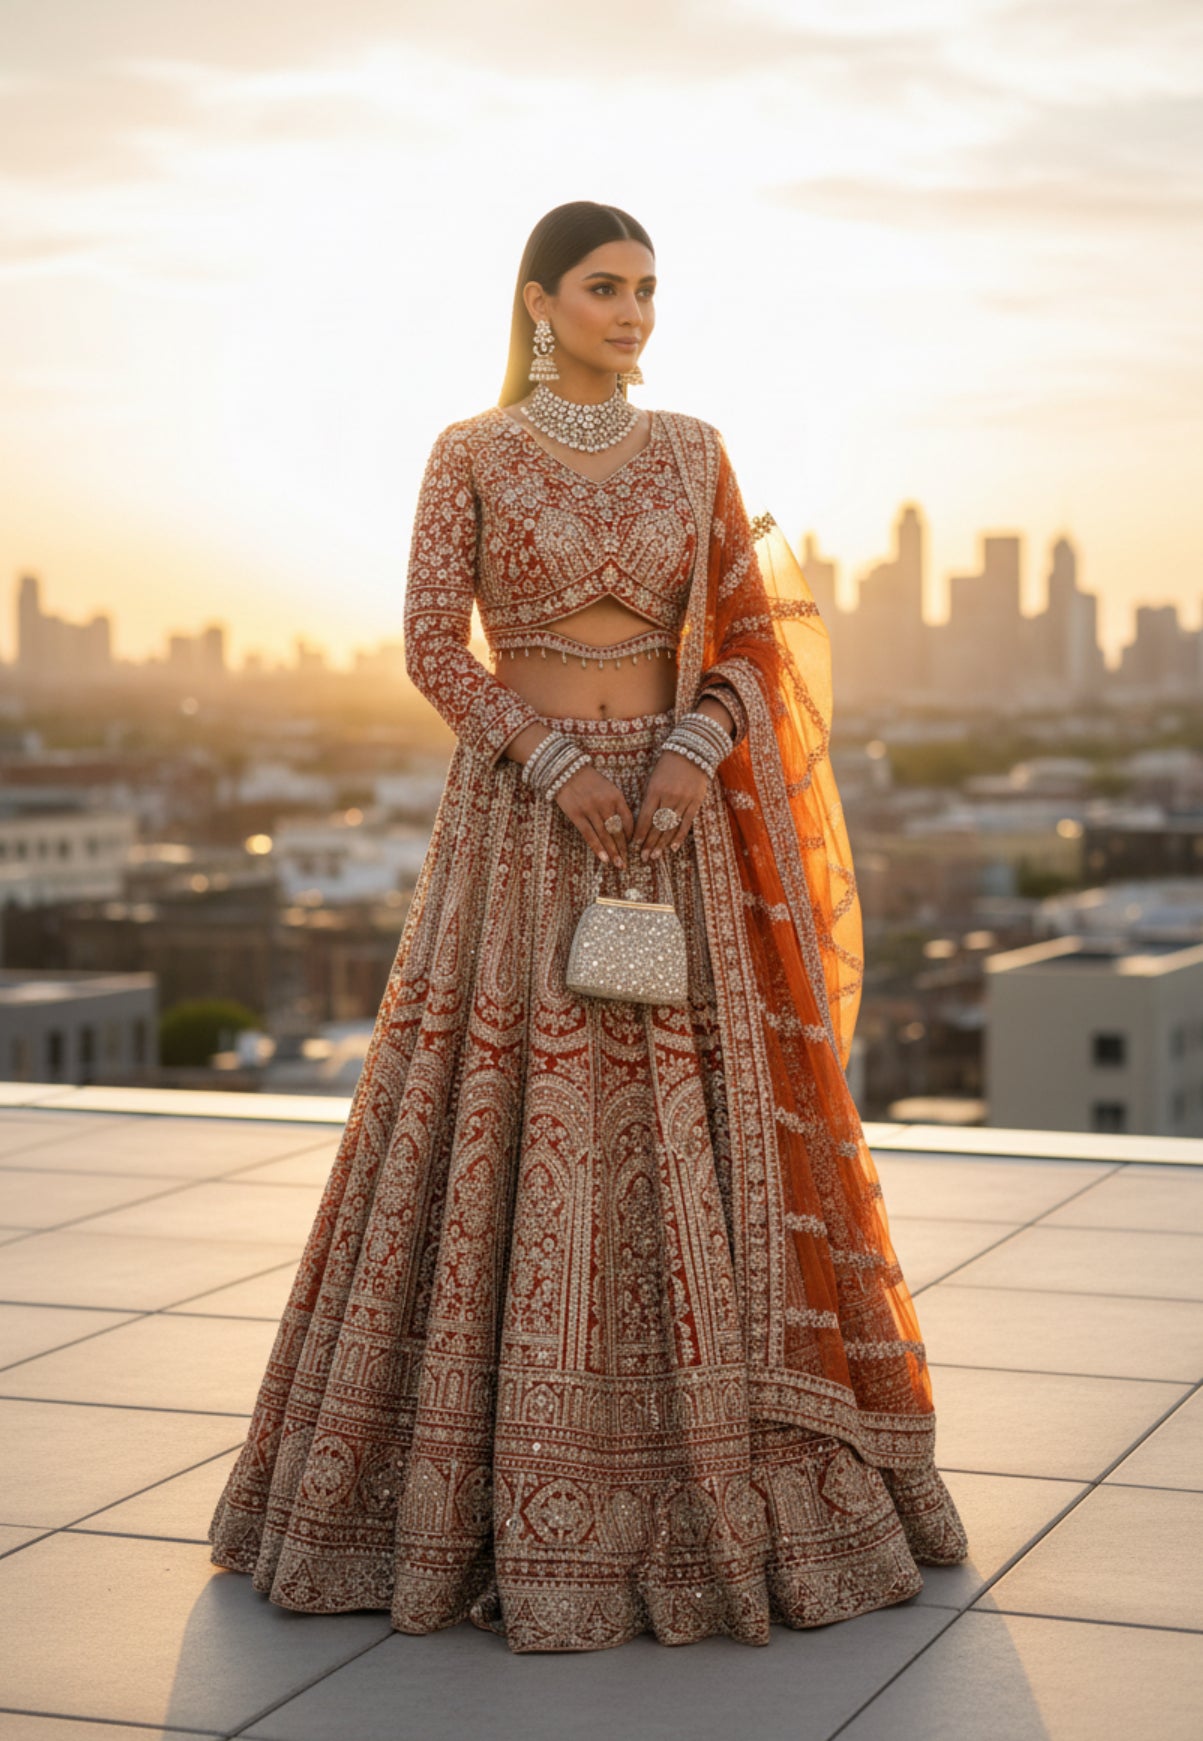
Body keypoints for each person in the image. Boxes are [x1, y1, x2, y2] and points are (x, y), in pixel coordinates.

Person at [208, 199, 968, 1654]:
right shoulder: (471, 455)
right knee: (508, 1115)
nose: (634, 314)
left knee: (681, 1127)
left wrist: (693, 751)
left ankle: (716, 1468)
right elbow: (432, 642)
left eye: (649, 291)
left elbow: (749, 629)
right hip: (521, 824)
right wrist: (547, 758)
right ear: (541, 301)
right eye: (607, 289)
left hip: (673, 829)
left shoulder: (694, 449)